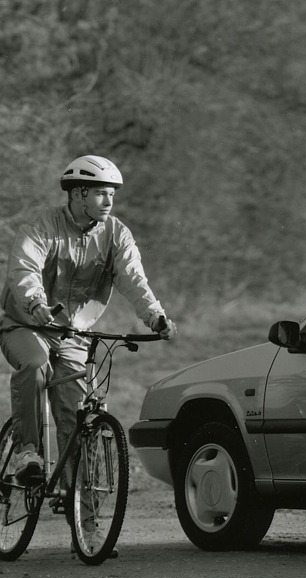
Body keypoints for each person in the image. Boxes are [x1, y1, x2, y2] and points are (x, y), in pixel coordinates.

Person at [1, 155, 176, 496]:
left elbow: (133, 278)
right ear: (78, 194)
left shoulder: (116, 234)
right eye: (100, 194)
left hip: (73, 334)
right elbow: (24, 270)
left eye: (112, 194)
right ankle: (27, 453)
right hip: (27, 324)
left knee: (78, 413)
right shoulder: (41, 228)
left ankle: (80, 504)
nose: (109, 201)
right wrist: (35, 303)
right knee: (35, 365)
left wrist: (154, 315)